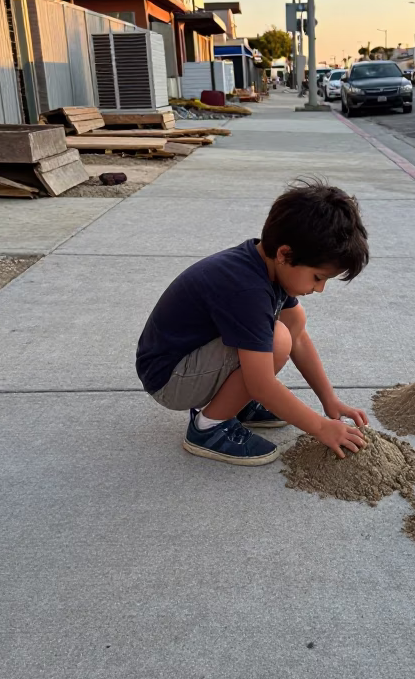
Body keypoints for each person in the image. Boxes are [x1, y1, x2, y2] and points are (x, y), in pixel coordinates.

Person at [136, 181, 370, 466]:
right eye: (318, 278)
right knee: (277, 338)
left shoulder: (265, 265)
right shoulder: (245, 289)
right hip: (171, 379)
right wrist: (321, 427)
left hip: (189, 362)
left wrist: (329, 401)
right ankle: (208, 428)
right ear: (285, 254)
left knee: (293, 321)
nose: (318, 289)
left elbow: (300, 340)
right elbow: (261, 383)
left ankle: (236, 404)